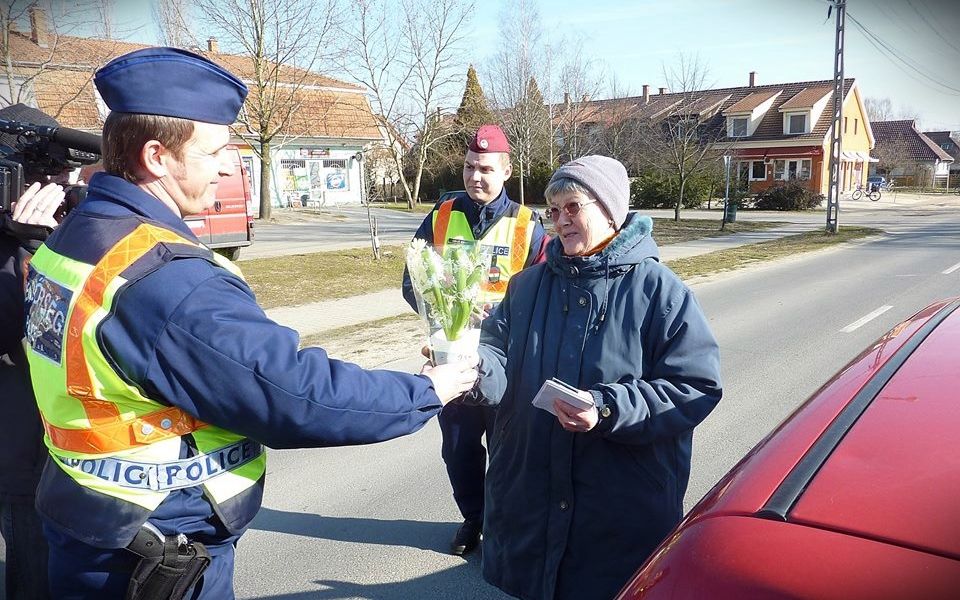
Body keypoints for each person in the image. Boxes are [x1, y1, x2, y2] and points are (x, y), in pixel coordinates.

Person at [21, 47, 477, 599]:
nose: (225, 166)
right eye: (214, 151)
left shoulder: (75, 236)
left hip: (88, 522)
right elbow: (294, 393)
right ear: (158, 156)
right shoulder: (169, 282)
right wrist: (425, 391)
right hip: (155, 552)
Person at [470, 155, 723, 599]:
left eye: (572, 207)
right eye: (553, 211)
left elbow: (695, 386)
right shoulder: (525, 287)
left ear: (610, 210)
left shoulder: (659, 291)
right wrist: (470, 372)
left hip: (618, 505)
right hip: (531, 491)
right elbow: (496, 356)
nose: (560, 221)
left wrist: (607, 408)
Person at [401, 124, 547, 555]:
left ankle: (507, 523)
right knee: (459, 449)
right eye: (469, 167)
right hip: (452, 362)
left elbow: (542, 290)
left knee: (508, 450)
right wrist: (445, 317)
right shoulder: (442, 215)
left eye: (485, 168)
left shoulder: (525, 224)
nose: (475, 176)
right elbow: (413, 280)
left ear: (505, 171)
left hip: (506, 362)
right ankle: (474, 519)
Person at [2, 180, 65, 600]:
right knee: (33, 573)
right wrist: (39, 250)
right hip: (21, 454)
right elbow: (52, 338)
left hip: (28, 448)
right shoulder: (28, 250)